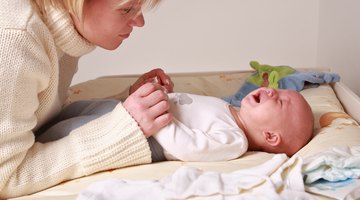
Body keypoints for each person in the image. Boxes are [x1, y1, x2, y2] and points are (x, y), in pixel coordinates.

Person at [0, 0, 174, 198]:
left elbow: (42, 119)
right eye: (127, 9)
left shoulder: (59, 31)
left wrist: (126, 106)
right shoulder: (16, 36)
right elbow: (4, 177)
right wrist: (120, 132)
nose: (139, 21)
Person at [37, 86, 314, 162]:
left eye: (278, 101)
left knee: (71, 132)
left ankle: (37, 146)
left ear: (271, 136)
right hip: (137, 112)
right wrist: (159, 93)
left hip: (144, 136)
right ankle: (37, 127)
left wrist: (156, 119)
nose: (270, 91)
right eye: (277, 90)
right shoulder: (228, 107)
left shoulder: (234, 140)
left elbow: (187, 147)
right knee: (77, 110)